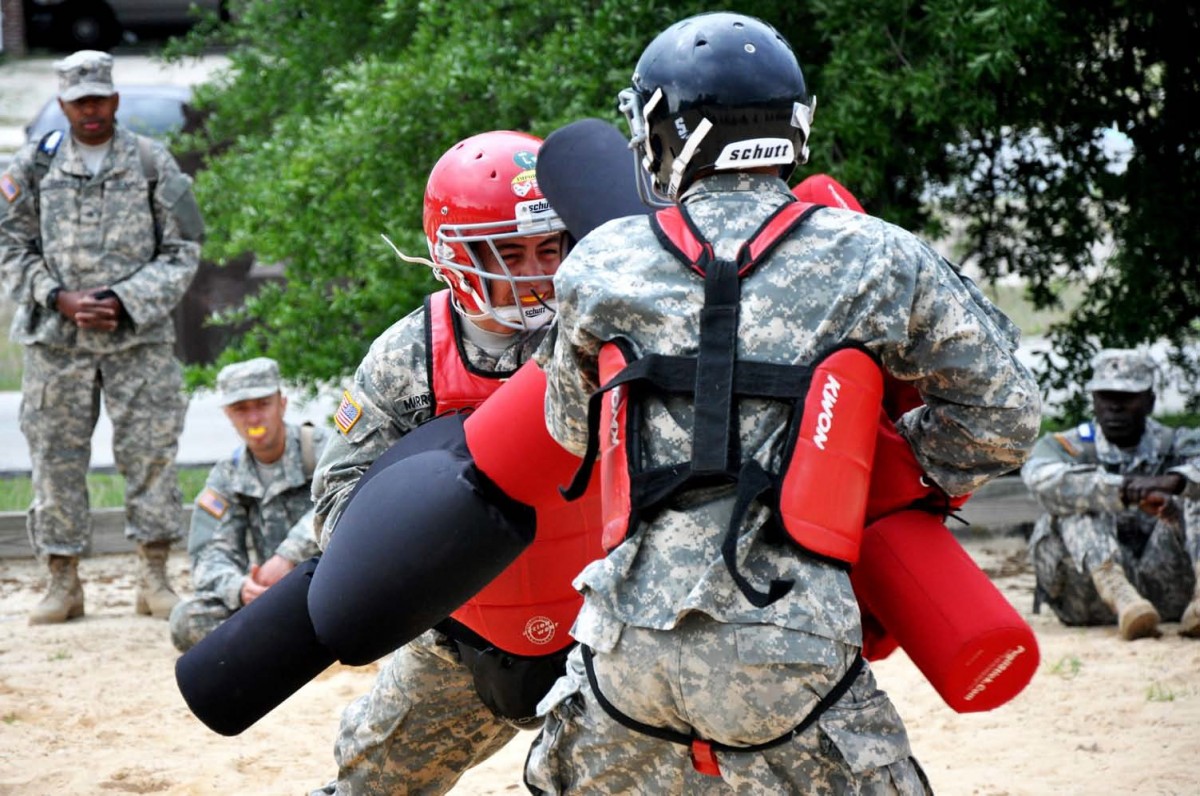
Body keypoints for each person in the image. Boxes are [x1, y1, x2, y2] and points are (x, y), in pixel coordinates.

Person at [526, 11, 1040, 792]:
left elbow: (572, 429)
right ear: (793, 125)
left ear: (665, 131)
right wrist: (870, 462)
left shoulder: (599, 262)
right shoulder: (876, 253)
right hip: (789, 643)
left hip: (625, 646)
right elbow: (1004, 419)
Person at [309, 130, 601, 794]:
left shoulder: (609, 327)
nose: (535, 272)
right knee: (371, 780)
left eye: (548, 248)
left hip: (603, 618)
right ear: (452, 254)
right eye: (509, 252)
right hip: (467, 624)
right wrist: (443, 520)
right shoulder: (409, 357)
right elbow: (338, 503)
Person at [0, 50, 204, 625]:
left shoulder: (151, 162)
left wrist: (126, 299)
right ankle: (62, 582)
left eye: (98, 99)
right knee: (54, 462)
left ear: (114, 99)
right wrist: (57, 296)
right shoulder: (33, 167)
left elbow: (184, 248)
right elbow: (9, 246)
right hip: (56, 343)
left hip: (137, 343)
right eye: (78, 102)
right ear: (63, 105)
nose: (90, 110)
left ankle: (153, 577)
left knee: (151, 457)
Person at [1024, 348, 1200, 640]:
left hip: (1170, 588)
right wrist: (1124, 491)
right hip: (1087, 596)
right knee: (1078, 497)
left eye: (1127, 398)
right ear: (1094, 400)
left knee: (1192, 489)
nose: (1115, 407)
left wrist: (1175, 482)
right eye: (1106, 397)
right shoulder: (1066, 446)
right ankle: (1119, 594)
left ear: (1150, 401)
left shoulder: (1177, 443)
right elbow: (1037, 478)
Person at [168, 357, 328, 652]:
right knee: (187, 620)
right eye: (241, 409)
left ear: (282, 404)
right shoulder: (227, 476)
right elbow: (208, 556)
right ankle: (294, 643)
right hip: (275, 598)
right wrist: (241, 588)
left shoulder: (322, 449)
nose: (253, 418)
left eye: (262, 405)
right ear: (228, 414)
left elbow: (349, 503)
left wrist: (288, 555)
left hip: (336, 585)